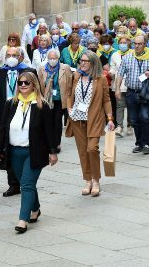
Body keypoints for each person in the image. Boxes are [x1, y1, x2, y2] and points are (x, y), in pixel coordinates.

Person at [0, 72, 58, 234]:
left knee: (27, 184)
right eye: (20, 83)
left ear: (34, 85)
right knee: (25, 183)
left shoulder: (42, 105)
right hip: (14, 151)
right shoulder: (11, 103)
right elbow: (3, 128)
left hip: (34, 152)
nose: (23, 86)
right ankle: (35, 208)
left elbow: (50, 131)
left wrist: (53, 151)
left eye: (26, 83)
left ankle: (23, 219)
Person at [66, 51, 114, 196]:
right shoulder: (75, 76)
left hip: (95, 118)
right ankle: (88, 180)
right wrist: (69, 108)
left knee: (92, 148)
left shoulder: (101, 79)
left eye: (86, 61)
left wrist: (110, 118)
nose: (83, 63)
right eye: (82, 60)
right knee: (82, 151)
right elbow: (69, 94)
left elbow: (106, 100)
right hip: (77, 119)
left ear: (93, 63)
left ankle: (96, 179)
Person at [0, 47, 37, 197]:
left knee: (20, 148)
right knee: (6, 149)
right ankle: (13, 184)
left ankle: (24, 181)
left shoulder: (29, 72)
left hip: (23, 112)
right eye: (8, 55)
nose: (11, 57)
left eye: (14, 55)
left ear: (20, 57)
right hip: (5, 115)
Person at [115, 36, 149, 154]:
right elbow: (120, 74)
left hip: (145, 93)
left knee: (144, 117)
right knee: (134, 119)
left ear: (145, 44)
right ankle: (139, 142)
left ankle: (146, 144)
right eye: (135, 44)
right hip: (131, 92)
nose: (137, 46)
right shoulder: (128, 57)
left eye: (140, 44)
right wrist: (117, 89)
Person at [38, 49, 71, 150]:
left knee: (57, 122)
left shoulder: (65, 68)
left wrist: (69, 99)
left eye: (54, 58)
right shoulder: (42, 69)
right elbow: (39, 85)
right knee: (48, 122)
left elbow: (69, 84)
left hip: (59, 100)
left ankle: (56, 144)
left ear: (58, 58)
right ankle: (48, 142)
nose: (52, 60)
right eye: (50, 58)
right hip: (47, 100)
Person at [109, 35, 132, 137]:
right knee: (119, 106)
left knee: (131, 105)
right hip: (119, 84)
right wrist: (111, 73)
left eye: (125, 43)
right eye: (121, 43)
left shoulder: (132, 54)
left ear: (129, 44)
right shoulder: (115, 55)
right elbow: (113, 67)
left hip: (130, 83)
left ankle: (130, 125)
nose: (122, 45)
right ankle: (119, 126)